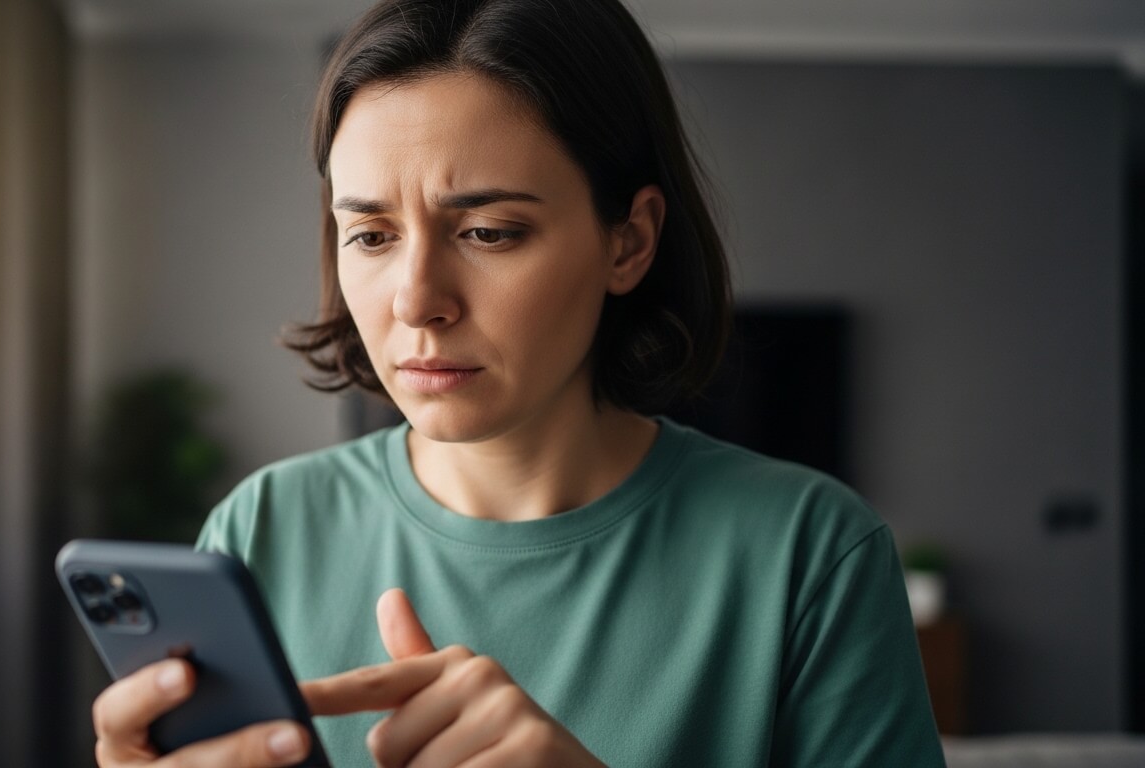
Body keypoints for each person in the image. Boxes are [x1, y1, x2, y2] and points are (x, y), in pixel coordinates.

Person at [90, 0, 947, 765]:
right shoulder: (260, 530)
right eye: (372, 235)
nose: (417, 302)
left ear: (629, 241)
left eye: (491, 232)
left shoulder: (810, 556)